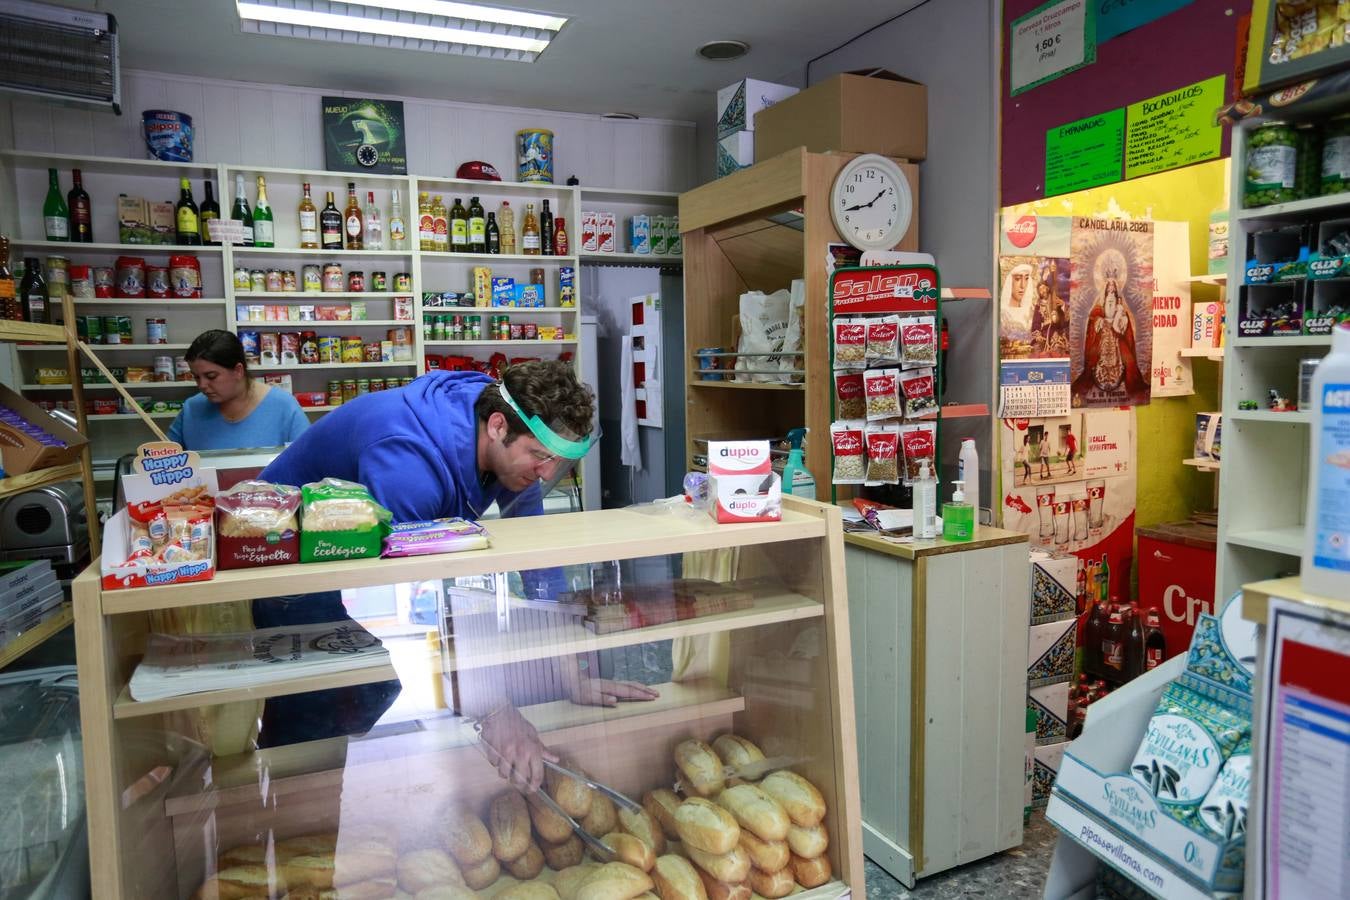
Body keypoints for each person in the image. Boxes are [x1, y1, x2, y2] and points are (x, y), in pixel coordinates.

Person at [258, 361, 656, 790]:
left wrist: (571, 673)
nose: (545, 473)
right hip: (277, 558)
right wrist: (495, 712)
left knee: (362, 692)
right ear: (498, 428)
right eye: (540, 456)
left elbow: (540, 567)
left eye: (555, 463)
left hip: (335, 545)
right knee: (335, 697)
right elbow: (423, 600)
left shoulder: (501, 422)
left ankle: (316, 779)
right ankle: (280, 801)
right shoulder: (410, 462)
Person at [167, 330, 309, 450]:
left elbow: (308, 462)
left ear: (238, 371)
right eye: (197, 377)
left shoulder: (284, 406)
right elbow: (164, 462)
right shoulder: (192, 409)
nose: (202, 385)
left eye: (211, 376)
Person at [1072, 275, 1148, 405]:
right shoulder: (1100, 303)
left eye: (1114, 286)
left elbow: (1123, 322)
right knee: (1094, 358)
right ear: (1106, 288)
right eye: (1110, 286)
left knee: (1128, 359)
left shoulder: (1120, 305)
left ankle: (1121, 379)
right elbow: (1094, 316)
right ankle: (1098, 378)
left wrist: (1121, 318)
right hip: (1103, 332)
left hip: (1116, 334)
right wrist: (1099, 320)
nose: (1112, 288)